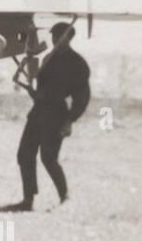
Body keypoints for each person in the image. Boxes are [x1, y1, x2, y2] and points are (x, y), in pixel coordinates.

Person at [16, 21, 90, 210]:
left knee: (48, 158)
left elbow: (82, 97)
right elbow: (43, 88)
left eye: (58, 35)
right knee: (25, 154)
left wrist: (69, 120)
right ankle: (28, 201)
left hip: (56, 115)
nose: (54, 38)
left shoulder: (77, 63)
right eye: (53, 35)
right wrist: (34, 93)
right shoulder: (49, 58)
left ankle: (65, 198)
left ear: (68, 37)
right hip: (38, 112)